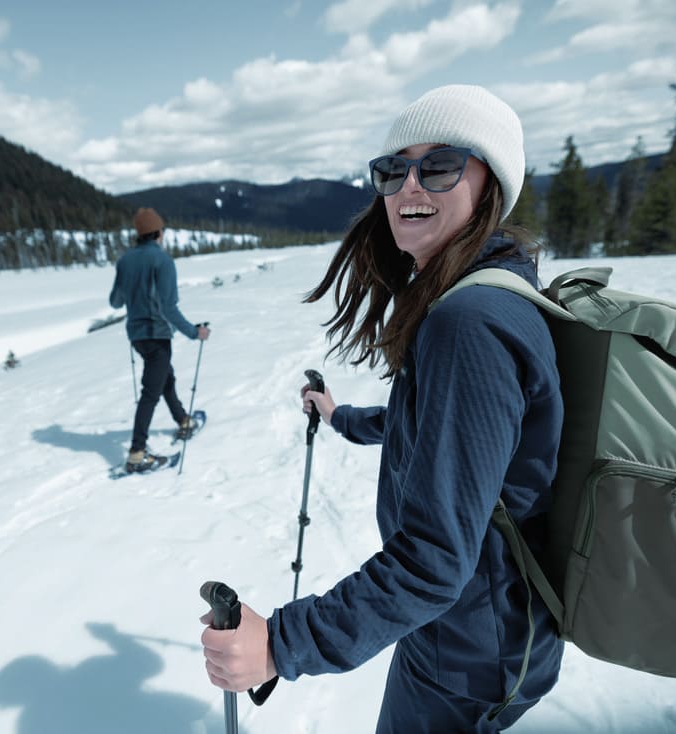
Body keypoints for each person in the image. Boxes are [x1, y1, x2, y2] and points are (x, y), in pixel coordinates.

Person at [200, 85, 564, 732]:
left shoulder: (470, 322)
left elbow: (433, 560)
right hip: (481, 633)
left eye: (442, 164)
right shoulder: (490, 291)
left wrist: (282, 644)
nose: (409, 186)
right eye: (392, 170)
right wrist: (340, 416)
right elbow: (434, 431)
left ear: (493, 184)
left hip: (465, 652)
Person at [110, 207, 210, 473]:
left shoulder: (125, 261)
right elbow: (168, 308)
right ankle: (136, 453)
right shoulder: (163, 262)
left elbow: (115, 301)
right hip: (157, 335)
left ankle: (183, 421)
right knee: (150, 392)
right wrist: (194, 332)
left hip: (137, 336)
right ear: (158, 232)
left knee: (165, 378)